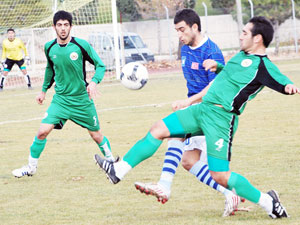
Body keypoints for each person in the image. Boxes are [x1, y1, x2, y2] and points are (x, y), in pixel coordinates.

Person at [95, 16, 299, 219]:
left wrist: (288, 86)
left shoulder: (264, 66)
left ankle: (268, 202)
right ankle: (118, 170)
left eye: (245, 32)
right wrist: (217, 67)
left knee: (219, 175)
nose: (240, 36)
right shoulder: (240, 56)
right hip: (202, 110)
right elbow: (231, 72)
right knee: (158, 129)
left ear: (257, 39)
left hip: (221, 119)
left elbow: (282, 80)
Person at [133, 9, 243, 217]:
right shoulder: (184, 51)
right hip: (195, 108)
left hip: (210, 112)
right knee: (189, 161)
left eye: (182, 30)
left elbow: (214, 90)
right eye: (176, 31)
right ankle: (234, 194)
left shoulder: (212, 51)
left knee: (174, 134)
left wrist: (189, 102)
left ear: (195, 27)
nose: (179, 35)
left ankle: (164, 184)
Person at [12, 10, 116, 178]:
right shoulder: (49, 47)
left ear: (70, 26)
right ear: (54, 27)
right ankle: (31, 167)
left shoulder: (81, 46)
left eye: (66, 25)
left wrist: (94, 82)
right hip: (60, 100)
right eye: (59, 25)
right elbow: (50, 69)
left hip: (82, 100)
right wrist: (43, 91)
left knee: (96, 135)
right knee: (42, 132)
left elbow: (101, 65)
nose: (62, 28)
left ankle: (112, 163)